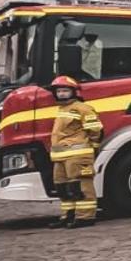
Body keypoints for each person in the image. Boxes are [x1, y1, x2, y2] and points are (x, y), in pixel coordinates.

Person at [46, 76, 102, 228]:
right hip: (60, 157)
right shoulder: (62, 109)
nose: (62, 94)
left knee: (81, 186)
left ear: (73, 92)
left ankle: (85, 217)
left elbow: (95, 130)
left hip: (77, 155)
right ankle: (68, 215)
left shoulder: (83, 108)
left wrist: (93, 147)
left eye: (65, 90)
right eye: (59, 91)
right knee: (63, 188)